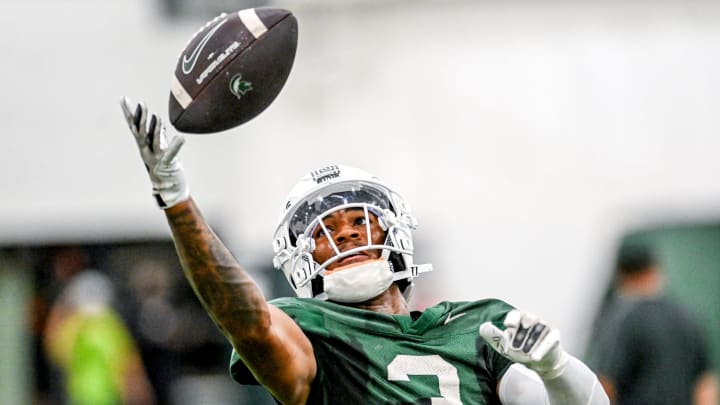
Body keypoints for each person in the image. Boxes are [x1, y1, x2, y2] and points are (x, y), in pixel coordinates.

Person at [120, 97, 609, 404]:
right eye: (324, 231)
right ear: (299, 261)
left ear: (396, 233)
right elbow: (247, 321)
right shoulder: (315, 332)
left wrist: (556, 369)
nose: (347, 236)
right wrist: (178, 200)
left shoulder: (479, 325)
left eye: (359, 221)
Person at [586, 243, 718, 405]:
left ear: (622, 275)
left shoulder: (623, 318)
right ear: (654, 269)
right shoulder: (688, 317)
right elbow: (705, 385)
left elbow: (606, 385)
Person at [43, 247, 156, 405]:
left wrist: (62, 306)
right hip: (100, 396)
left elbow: (54, 347)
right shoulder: (109, 325)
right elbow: (127, 364)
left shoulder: (75, 325)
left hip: (86, 396)